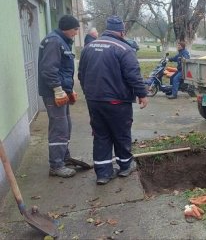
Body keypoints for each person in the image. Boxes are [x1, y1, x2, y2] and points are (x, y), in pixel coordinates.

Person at [78, 15, 149, 185]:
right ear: (122, 32)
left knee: (101, 135)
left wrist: (90, 93)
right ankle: (125, 166)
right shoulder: (124, 49)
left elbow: (81, 74)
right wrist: (142, 94)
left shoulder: (88, 47)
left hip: (94, 100)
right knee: (121, 133)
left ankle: (103, 173)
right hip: (117, 101)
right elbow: (133, 75)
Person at [38, 15, 80, 178]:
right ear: (67, 28)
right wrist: (57, 89)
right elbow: (49, 69)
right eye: (75, 29)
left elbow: (63, 69)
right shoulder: (54, 41)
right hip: (53, 93)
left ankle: (64, 157)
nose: (76, 33)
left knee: (66, 126)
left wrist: (69, 90)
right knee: (59, 129)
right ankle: (56, 165)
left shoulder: (61, 41)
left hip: (61, 91)